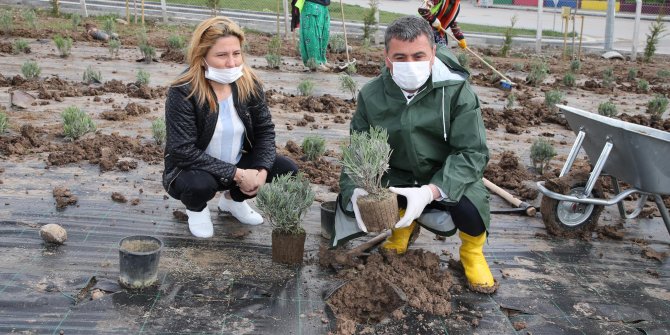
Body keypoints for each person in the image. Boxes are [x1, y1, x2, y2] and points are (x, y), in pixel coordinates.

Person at [332, 16, 495, 292]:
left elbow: (472, 152)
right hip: (398, 176)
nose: (410, 64)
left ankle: (472, 252)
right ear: (387, 59)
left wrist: (431, 191)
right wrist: (355, 193)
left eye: (418, 55)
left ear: (433, 54)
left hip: (445, 175)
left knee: (471, 208)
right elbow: (358, 154)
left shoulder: (456, 91)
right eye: (400, 57)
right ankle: (402, 229)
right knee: (368, 194)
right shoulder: (372, 96)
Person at [162, 16, 298, 238]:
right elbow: (181, 150)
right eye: (221, 55)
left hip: (236, 162)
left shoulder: (249, 83)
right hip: (195, 169)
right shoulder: (183, 91)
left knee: (286, 169)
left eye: (236, 54)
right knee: (198, 185)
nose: (232, 63)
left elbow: (265, 131)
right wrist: (238, 174)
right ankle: (197, 210)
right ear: (202, 57)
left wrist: (261, 171)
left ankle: (233, 202)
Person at [295, 0, 331, 71]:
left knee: (324, 35)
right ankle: (315, 62)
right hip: (312, 5)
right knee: (313, 36)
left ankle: (322, 60)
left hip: (323, 6)